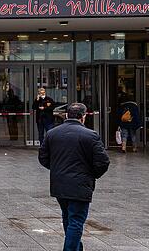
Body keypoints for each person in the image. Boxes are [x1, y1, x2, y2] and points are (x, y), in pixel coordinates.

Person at [39, 103, 110, 251]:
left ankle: (76, 248)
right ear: (83, 117)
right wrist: (91, 175)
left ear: (66, 115)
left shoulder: (52, 133)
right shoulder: (91, 135)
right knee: (76, 221)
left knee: (68, 217)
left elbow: (43, 158)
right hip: (80, 185)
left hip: (60, 184)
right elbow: (103, 162)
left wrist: (58, 169)